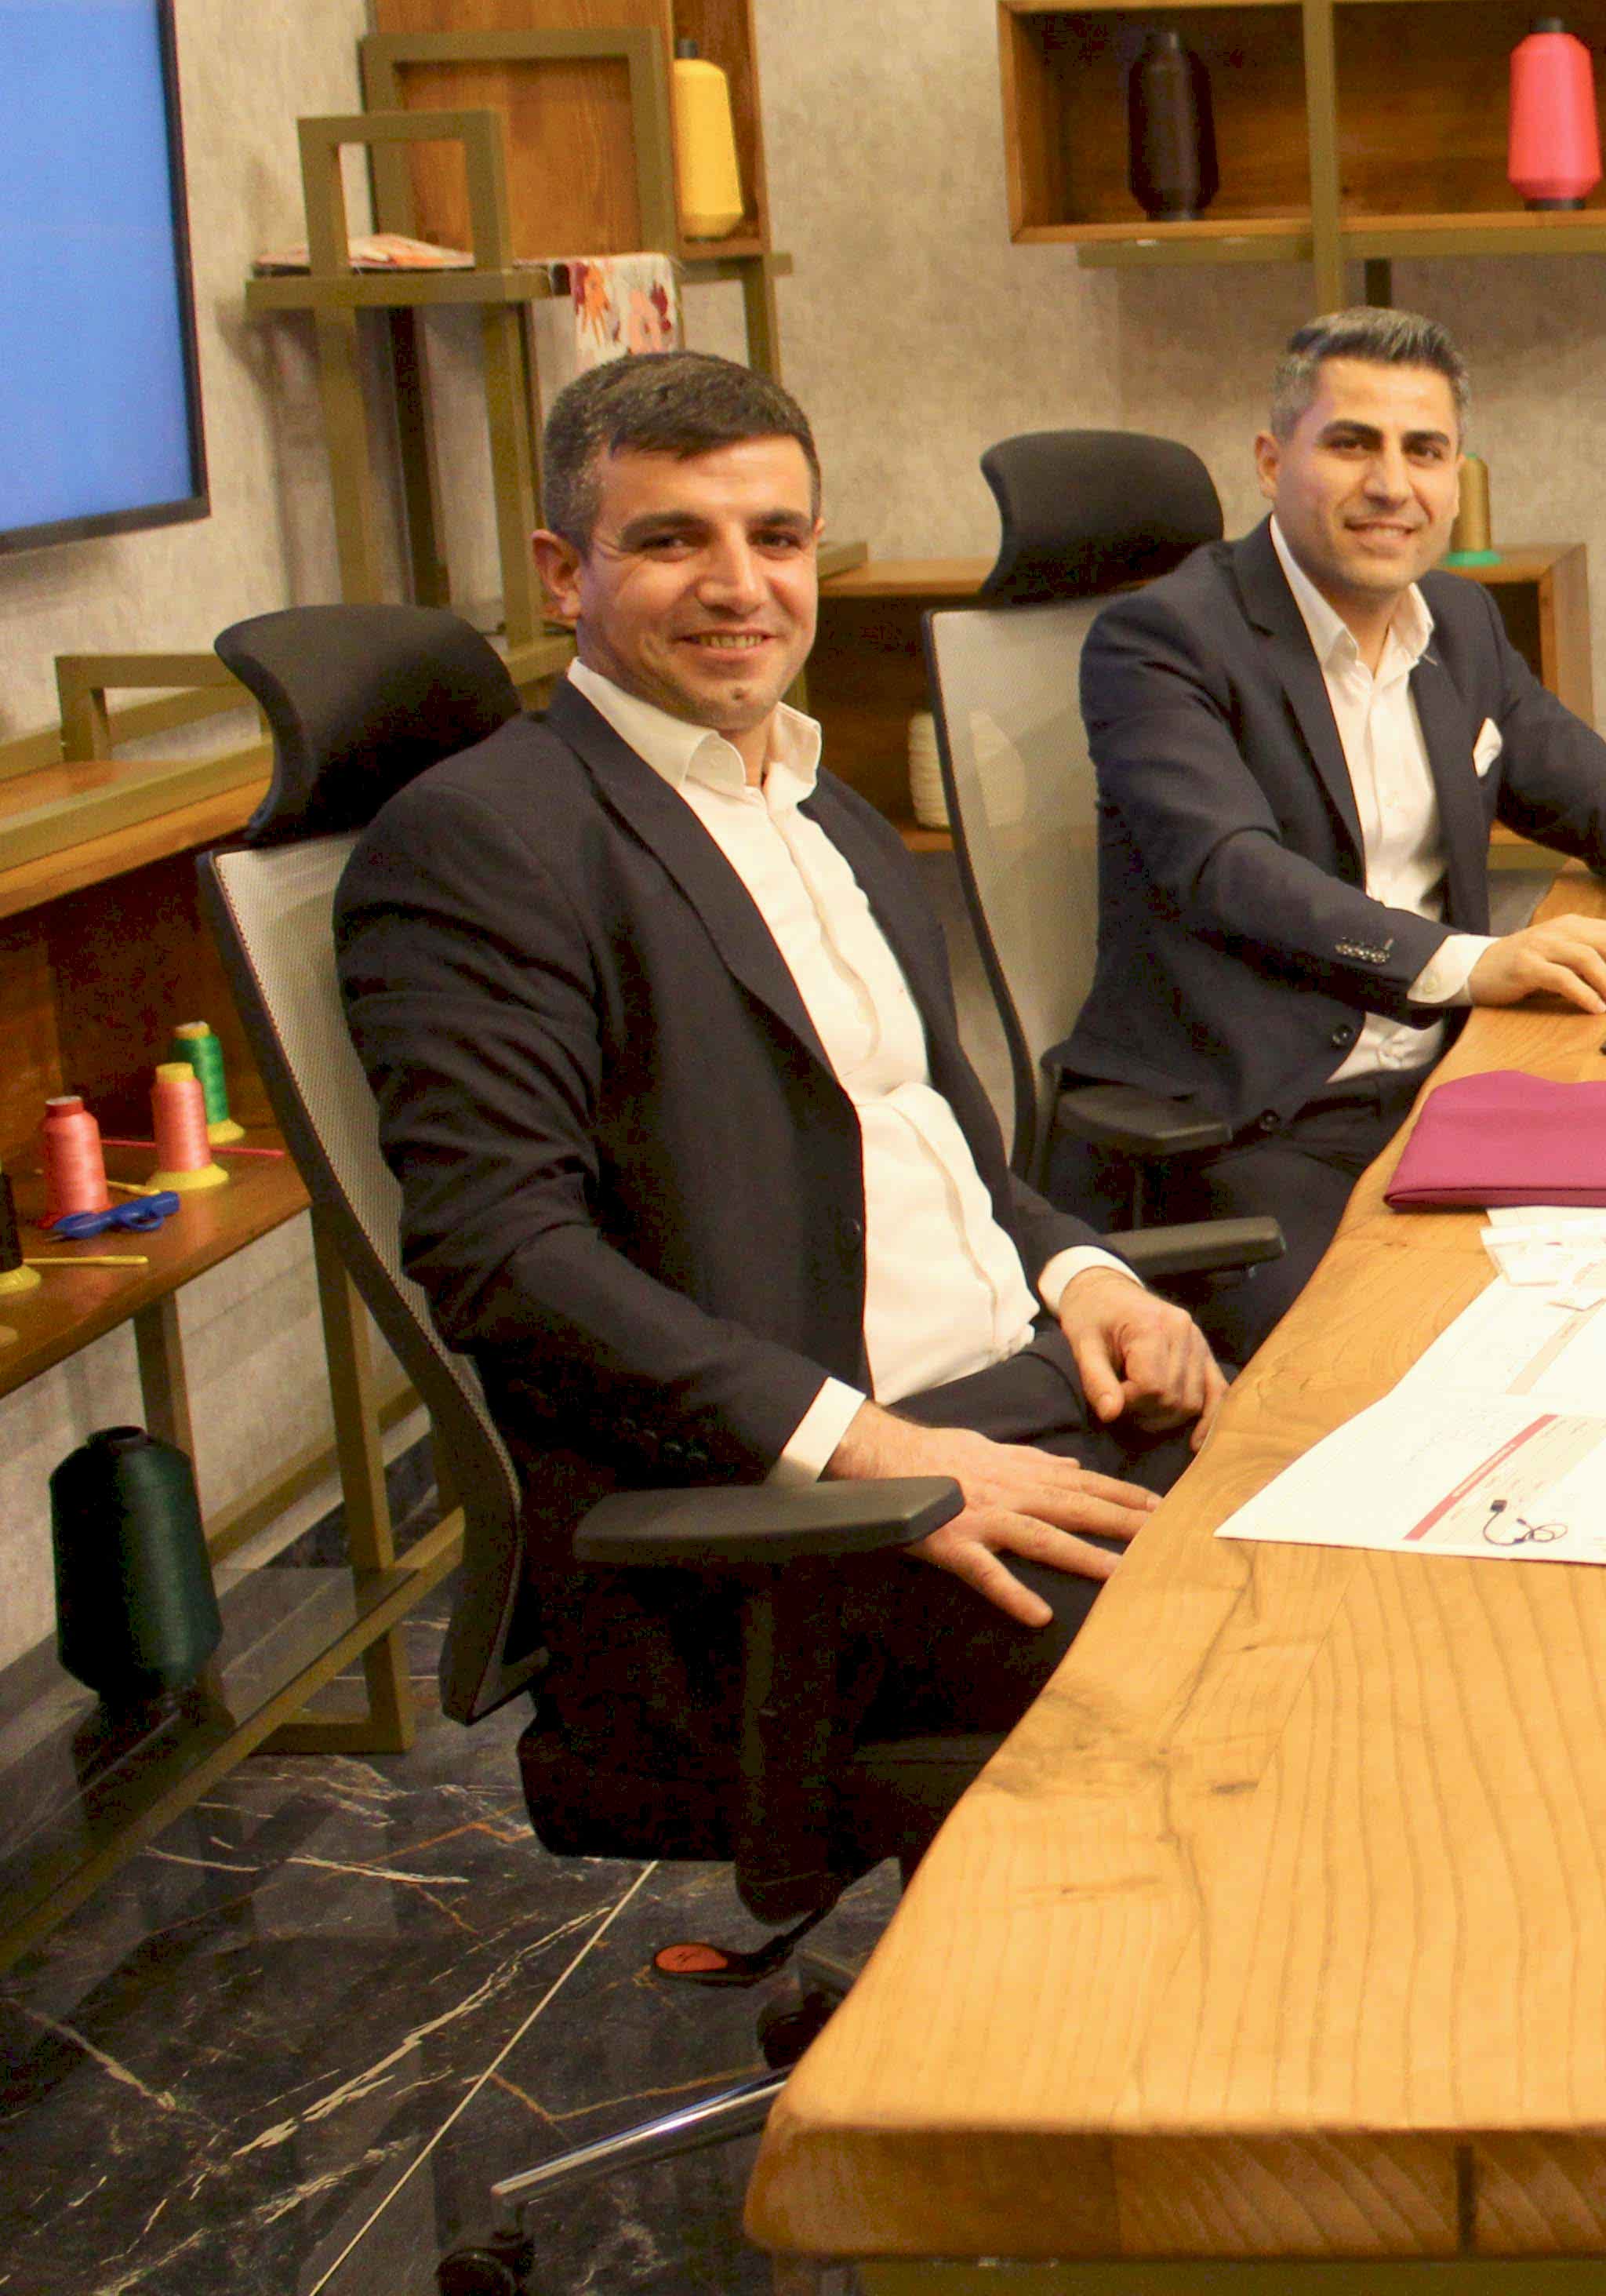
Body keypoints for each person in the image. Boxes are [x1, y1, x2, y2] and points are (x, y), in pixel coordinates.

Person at [340, 350, 1226, 1785]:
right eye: (672, 540)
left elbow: (940, 1150)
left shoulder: (825, 810)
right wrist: (874, 1453)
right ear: (563, 575)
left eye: (776, 537)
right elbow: (501, 1255)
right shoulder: (482, 842)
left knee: (1412, 1562)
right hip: (798, 1520)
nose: (738, 585)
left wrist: (1091, 1281)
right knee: (1269, 1680)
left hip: (1028, 1407)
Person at [1059, 306, 1606, 1348]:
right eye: (1351, 444)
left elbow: (1583, 777)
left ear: (1455, 475)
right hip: (1252, 1124)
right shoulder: (1162, 640)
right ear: (1271, 460)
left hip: (1445, 1086)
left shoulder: (1455, 622)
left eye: (1424, 451)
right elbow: (1227, 868)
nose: (1391, 485)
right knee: (1409, 1356)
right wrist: (1470, 963)